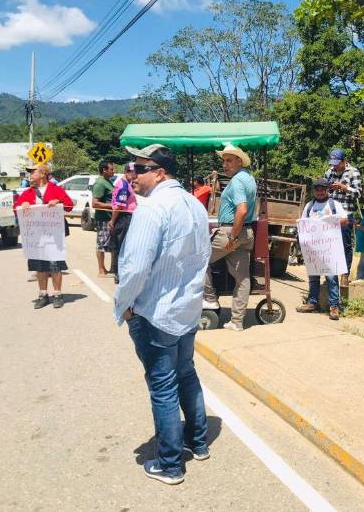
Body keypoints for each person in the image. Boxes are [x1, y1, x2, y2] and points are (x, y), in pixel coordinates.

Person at [113, 144, 211, 486]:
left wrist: (123, 304)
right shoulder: (194, 205)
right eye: (131, 167)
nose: (132, 174)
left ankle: (170, 464)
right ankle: (197, 442)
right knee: (186, 373)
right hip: (186, 308)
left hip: (156, 313)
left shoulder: (152, 209)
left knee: (163, 385)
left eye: (139, 168)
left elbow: (135, 267)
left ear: (160, 172)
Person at [203, 143, 257, 332]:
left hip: (230, 232)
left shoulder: (237, 181)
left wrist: (232, 236)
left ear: (239, 161)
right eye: (223, 161)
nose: (224, 165)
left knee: (197, 261)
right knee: (242, 277)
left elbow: (241, 210)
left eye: (228, 161)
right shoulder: (249, 178)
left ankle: (209, 300)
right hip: (246, 233)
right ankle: (237, 321)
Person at [13, 163, 74, 309]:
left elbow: (69, 205)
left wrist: (58, 201)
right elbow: (16, 209)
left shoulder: (56, 189)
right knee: (40, 266)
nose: (30, 176)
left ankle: (58, 294)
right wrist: (23, 205)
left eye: (32, 173)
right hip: (35, 236)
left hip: (53, 235)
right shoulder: (27, 193)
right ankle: (43, 294)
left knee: (55, 265)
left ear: (42, 174)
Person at [295, 178, 349, 320]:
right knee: (313, 277)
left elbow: (345, 221)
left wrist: (329, 220)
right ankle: (312, 303)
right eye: (317, 189)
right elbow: (303, 225)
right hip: (313, 250)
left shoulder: (334, 204)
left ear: (327, 190)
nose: (319, 192)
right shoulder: (309, 206)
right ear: (314, 191)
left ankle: (334, 307)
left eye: (322, 189)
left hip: (329, 250)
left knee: (331, 277)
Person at [325, 148, 361, 286]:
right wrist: (329, 188)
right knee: (330, 245)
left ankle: (345, 274)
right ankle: (331, 275)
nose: (334, 166)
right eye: (332, 163)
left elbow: (358, 193)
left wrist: (343, 188)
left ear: (344, 161)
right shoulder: (329, 172)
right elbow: (324, 190)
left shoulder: (353, 172)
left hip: (345, 214)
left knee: (345, 245)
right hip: (330, 214)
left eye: (337, 163)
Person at [109, 163, 138, 284]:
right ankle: (118, 273)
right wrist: (113, 220)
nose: (135, 174)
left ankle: (120, 272)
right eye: (133, 172)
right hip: (122, 217)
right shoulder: (123, 186)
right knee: (119, 246)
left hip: (126, 216)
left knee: (123, 246)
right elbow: (120, 206)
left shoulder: (128, 184)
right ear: (127, 172)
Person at [92, 160, 115, 278]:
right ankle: (101, 269)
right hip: (103, 219)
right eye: (111, 169)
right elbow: (95, 203)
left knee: (111, 244)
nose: (113, 171)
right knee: (102, 244)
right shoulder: (100, 183)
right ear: (104, 170)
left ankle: (111, 269)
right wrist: (111, 206)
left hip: (110, 218)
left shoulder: (108, 182)